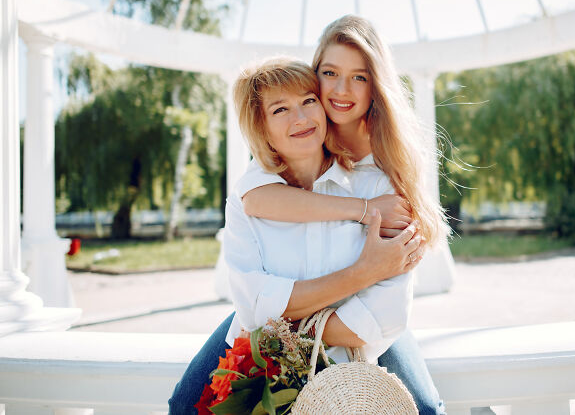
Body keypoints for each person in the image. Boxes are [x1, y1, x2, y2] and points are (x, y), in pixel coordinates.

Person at [169, 57, 423, 414]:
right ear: (261, 127)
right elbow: (254, 311)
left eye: (308, 101)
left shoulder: (376, 185)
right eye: (280, 109)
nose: (301, 118)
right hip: (266, 365)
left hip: (351, 366)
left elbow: (383, 317)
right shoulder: (248, 197)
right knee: (185, 408)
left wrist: (282, 319)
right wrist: (365, 271)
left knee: (425, 409)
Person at [236, 15, 448, 414]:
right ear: (314, 75)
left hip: (349, 318)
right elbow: (255, 200)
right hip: (282, 317)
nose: (341, 90)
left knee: (424, 408)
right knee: (188, 400)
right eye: (329, 73)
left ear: (376, 86)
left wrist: (291, 319)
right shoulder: (298, 137)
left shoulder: (388, 166)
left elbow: (388, 295)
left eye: (359, 77)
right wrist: (364, 213)